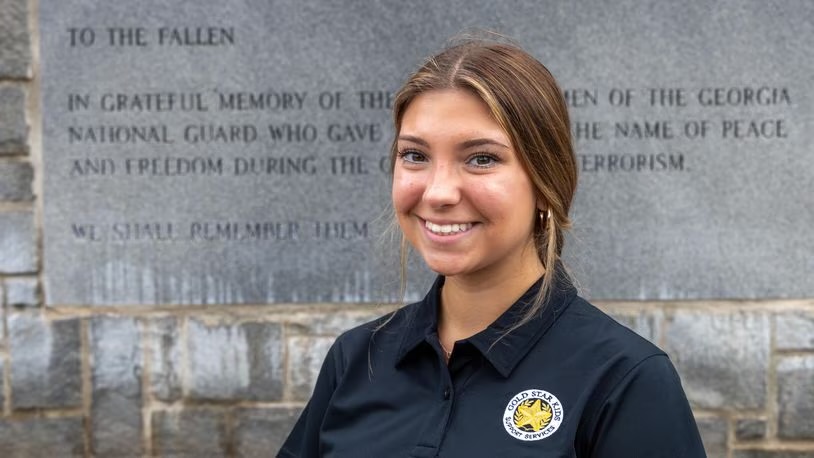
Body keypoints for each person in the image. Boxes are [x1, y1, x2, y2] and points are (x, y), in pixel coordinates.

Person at [278, 38, 705, 457]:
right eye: (415, 155)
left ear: (546, 182)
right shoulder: (356, 359)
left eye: (481, 158)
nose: (439, 191)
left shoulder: (623, 378)